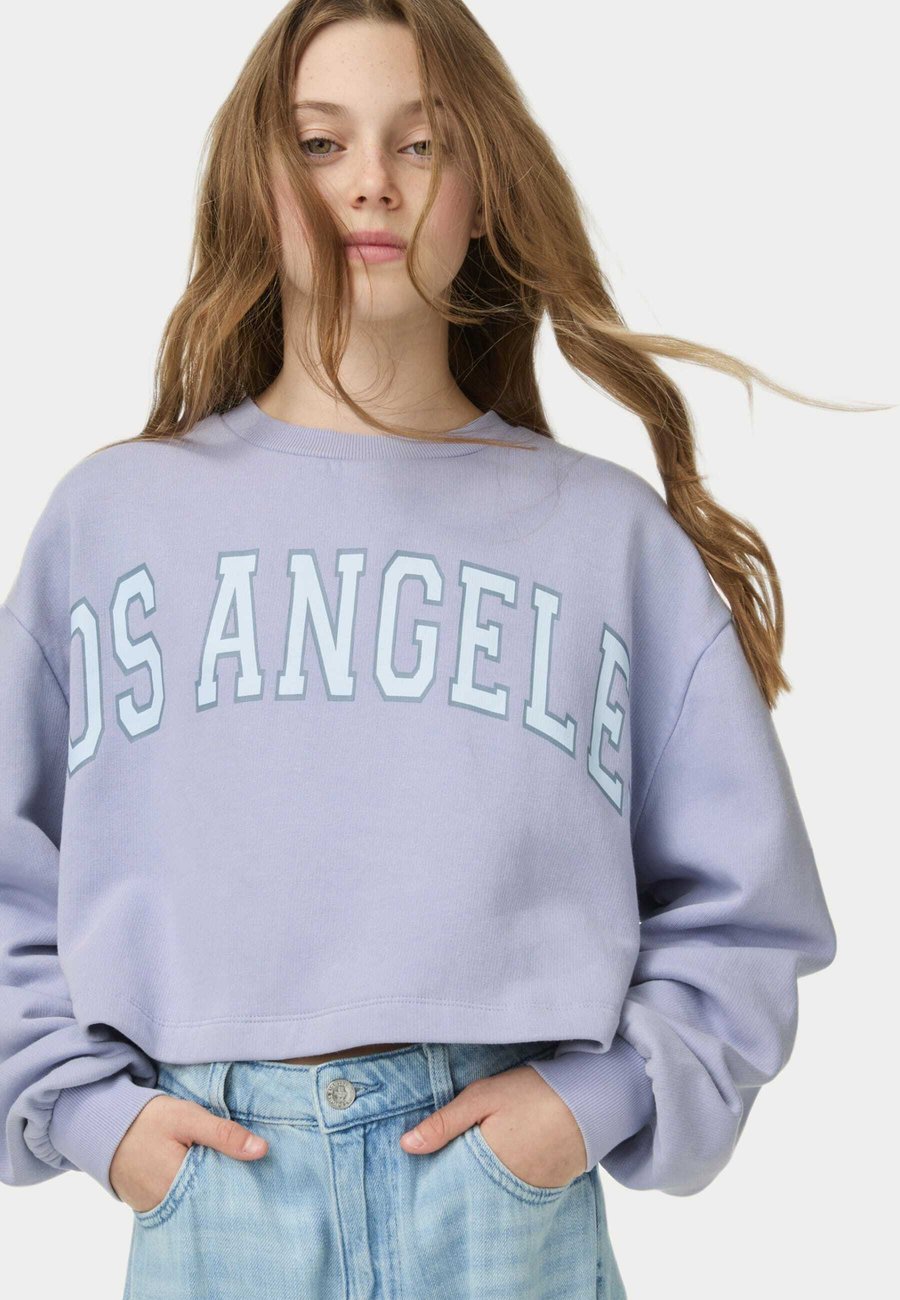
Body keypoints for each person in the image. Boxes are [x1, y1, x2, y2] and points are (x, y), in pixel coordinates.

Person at [0, 2, 865, 1296]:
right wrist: (89, 1117)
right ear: (255, 179)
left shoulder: (602, 535)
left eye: (423, 143)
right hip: (218, 1196)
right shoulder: (112, 521)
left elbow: (748, 911)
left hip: (503, 1207)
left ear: (486, 187)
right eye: (321, 141)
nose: (371, 183)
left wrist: (600, 1101)